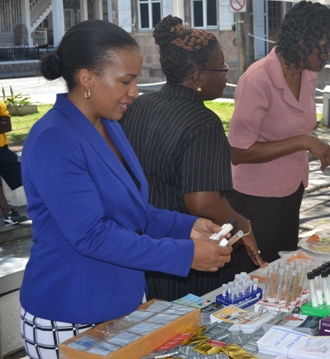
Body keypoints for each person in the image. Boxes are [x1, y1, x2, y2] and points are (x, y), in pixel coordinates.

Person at [19, 20, 232, 359]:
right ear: (87, 78)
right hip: (71, 313)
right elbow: (91, 235)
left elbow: (133, 209)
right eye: (126, 81)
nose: (135, 91)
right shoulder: (54, 139)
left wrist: (186, 226)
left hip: (121, 302)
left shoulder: (109, 125)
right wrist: (185, 254)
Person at [120, 15, 265, 301]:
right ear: (198, 77)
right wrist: (243, 224)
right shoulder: (203, 122)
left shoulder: (139, 105)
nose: (226, 74)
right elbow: (202, 201)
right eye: (222, 68)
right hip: (192, 254)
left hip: (148, 247)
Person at [227, 1, 330, 267]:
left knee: (284, 269)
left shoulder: (308, 76)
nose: (329, 53)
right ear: (301, 41)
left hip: (291, 192)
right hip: (256, 201)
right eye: (324, 45)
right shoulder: (257, 79)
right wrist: (303, 141)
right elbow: (238, 152)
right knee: (258, 275)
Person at [0, 101, 29, 225]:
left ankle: (47, 205)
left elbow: (7, 126)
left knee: (24, 171)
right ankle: (8, 214)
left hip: (2, 149)